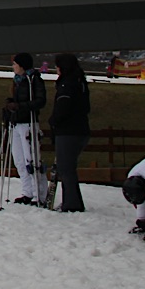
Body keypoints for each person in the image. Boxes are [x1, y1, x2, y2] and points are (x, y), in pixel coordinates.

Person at [47, 53, 90, 212]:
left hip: (68, 131)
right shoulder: (80, 82)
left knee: (65, 168)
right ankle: (72, 200)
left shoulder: (67, 84)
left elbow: (63, 108)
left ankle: (72, 204)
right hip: (80, 129)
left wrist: (53, 121)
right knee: (68, 167)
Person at [4, 52, 47, 205]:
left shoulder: (33, 79)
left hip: (28, 123)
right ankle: (27, 191)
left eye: (15, 64)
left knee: (32, 159)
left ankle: (39, 194)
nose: (13, 67)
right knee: (19, 160)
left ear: (22, 65)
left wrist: (20, 106)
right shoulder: (18, 80)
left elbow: (40, 101)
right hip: (16, 122)